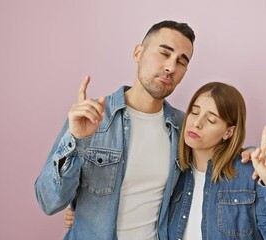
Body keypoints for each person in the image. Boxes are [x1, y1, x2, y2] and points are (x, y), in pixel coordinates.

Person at [35, 20, 196, 240]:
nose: (171, 67)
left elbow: (217, 164)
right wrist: (75, 140)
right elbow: (48, 202)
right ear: (138, 52)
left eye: (181, 61)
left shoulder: (183, 127)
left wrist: (250, 155)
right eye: (164, 53)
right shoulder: (92, 117)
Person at [167, 82, 266, 239]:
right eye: (194, 112)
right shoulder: (174, 173)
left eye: (211, 120)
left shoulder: (250, 175)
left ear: (229, 132)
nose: (197, 123)